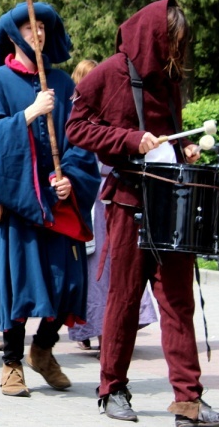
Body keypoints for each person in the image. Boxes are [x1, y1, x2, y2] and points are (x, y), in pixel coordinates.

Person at [66, 0, 219, 426]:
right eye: (173, 42)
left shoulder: (166, 79)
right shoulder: (110, 73)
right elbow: (76, 128)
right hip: (128, 203)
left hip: (169, 197)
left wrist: (182, 146)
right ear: (155, 35)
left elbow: (167, 132)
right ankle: (112, 389)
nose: (178, 52)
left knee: (178, 301)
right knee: (124, 298)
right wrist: (129, 140)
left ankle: (188, 399)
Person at [0, 2, 100, 397]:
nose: (37, 33)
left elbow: (80, 138)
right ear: (13, 35)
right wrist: (28, 113)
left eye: (42, 26)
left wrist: (73, 179)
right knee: (19, 284)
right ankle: (11, 363)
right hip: (16, 202)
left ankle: (42, 350)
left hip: (58, 202)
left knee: (67, 285)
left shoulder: (63, 84)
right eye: (28, 28)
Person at [66, 60, 157, 352]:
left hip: (113, 197)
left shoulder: (112, 113)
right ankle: (94, 328)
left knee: (115, 267)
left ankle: (111, 330)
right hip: (91, 200)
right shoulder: (80, 119)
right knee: (96, 269)